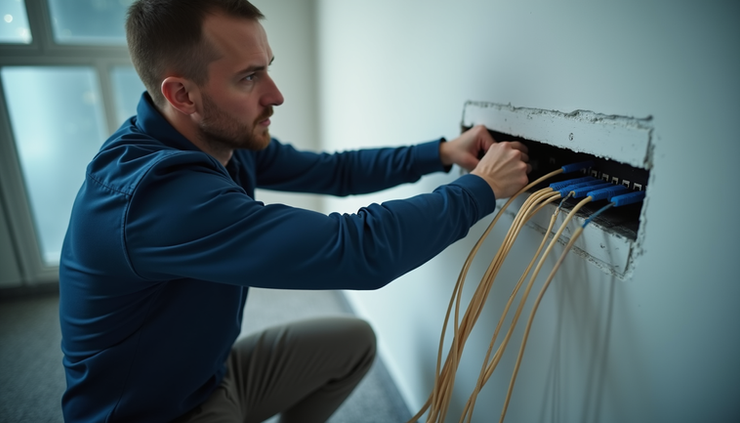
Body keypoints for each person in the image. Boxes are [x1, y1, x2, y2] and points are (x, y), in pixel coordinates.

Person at [58, 0, 531, 422]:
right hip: (153, 412)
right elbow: (356, 251)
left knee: (353, 344)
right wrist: (480, 189)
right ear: (183, 95)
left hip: (210, 379)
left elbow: (335, 172)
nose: (276, 94)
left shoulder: (217, 137)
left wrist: (443, 152)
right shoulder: (155, 196)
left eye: (267, 67)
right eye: (249, 77)